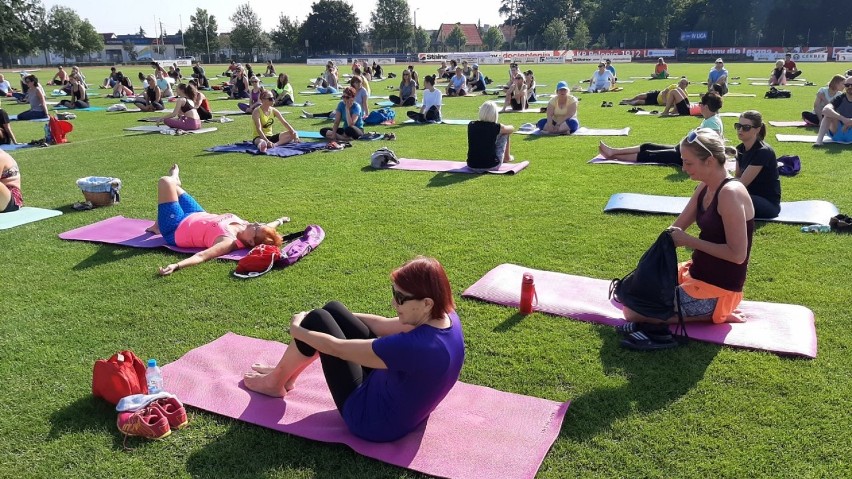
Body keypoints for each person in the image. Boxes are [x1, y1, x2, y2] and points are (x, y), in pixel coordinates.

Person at [242, 256, 464, 443]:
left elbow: (336, 348)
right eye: (394, 293)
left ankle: (275, 382)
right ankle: (285, 377)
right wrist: (330, 316)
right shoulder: (445, 316)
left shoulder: (415, 346)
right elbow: (383, 325)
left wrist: (297, 329)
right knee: (332, 309)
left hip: (370, 420)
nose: (394, 303)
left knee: (318, 321)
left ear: (426, 303)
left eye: (400, 298)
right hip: (392, 393)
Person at [617, 128, 755, 350]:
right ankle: (707, 310)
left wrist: (688, 241)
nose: (683, 168)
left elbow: (738, 255)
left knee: (630, 311)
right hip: (695, 273)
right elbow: (678, 226)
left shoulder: (730, 194)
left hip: (718, 287)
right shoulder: (704, 187)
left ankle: (718, 313)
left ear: (709, 161)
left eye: (688, 163)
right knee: (632, 290)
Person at [148, 164, 287, 275]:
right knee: (173, 188)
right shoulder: (246, 227)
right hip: (197, 212)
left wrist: (176, 265)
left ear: (251, 241)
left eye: (256, 227)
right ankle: (175, 184)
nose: (255, 223)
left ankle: (172, 184)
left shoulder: (228, 241)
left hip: (175, 226)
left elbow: (202, 256)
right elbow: (267, 227)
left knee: (165, 182)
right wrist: (280, 221)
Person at [599, 91, 724, 166]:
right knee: (647, 145)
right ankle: (613, 151)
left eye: (700, 104)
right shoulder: (711, 119)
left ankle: (613, 155)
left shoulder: (712, 123)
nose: (699, 106)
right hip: (680, 149)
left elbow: (710, 148)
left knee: (648, 154)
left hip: (682, 156)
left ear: (706, 107)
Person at [733, 111, 781, 219]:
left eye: (746, 127)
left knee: (728, 195)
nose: (740, 130)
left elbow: (741, 183)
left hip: (768, 205)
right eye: (738, 126)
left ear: (757, 129)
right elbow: (737, 176)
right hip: (747, 196)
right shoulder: (739, 149)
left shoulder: (763, 152)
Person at [467, 101, 515, 171]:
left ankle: (506, 157)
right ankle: (507, 157)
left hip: (471, 165)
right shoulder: (495, 127)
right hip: (491, 165)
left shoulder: (471, 125)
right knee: (505, 133)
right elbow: (511, 129)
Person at [619, 77, 691, 116]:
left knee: (639, 101)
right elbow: (664, 92)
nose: (680, 84)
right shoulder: (674, 86)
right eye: (680, 82)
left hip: (657, 101)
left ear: (686, 85)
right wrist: (665, 101)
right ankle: (629, 100)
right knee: (641, 95)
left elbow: (677, 103)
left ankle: (628, 103)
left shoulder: (684, 93)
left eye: (682, 83)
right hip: (658, 94)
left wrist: (667, 105)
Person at [815, 75, 852, 146]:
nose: (850, 87)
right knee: (828, 115)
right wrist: (843, 119)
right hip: (837, 131)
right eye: (847, 85)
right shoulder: (840, 98)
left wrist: (849, 122)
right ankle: (818, 142)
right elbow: (825, 110)